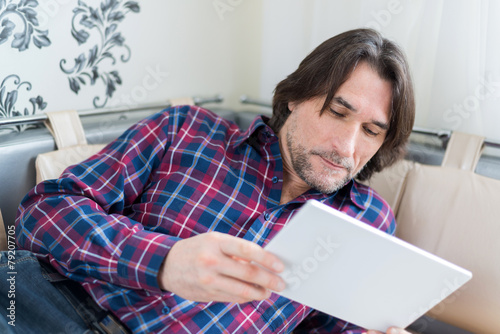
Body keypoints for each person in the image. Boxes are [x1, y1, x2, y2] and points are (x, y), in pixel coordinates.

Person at [8, 28, 415, 334]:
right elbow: (42, 212)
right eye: (337, 112)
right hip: (49, 307)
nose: (346, 147)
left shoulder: (370, 223)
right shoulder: (186, 129)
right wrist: (164, 262)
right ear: (295, 97)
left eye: (371, 131)